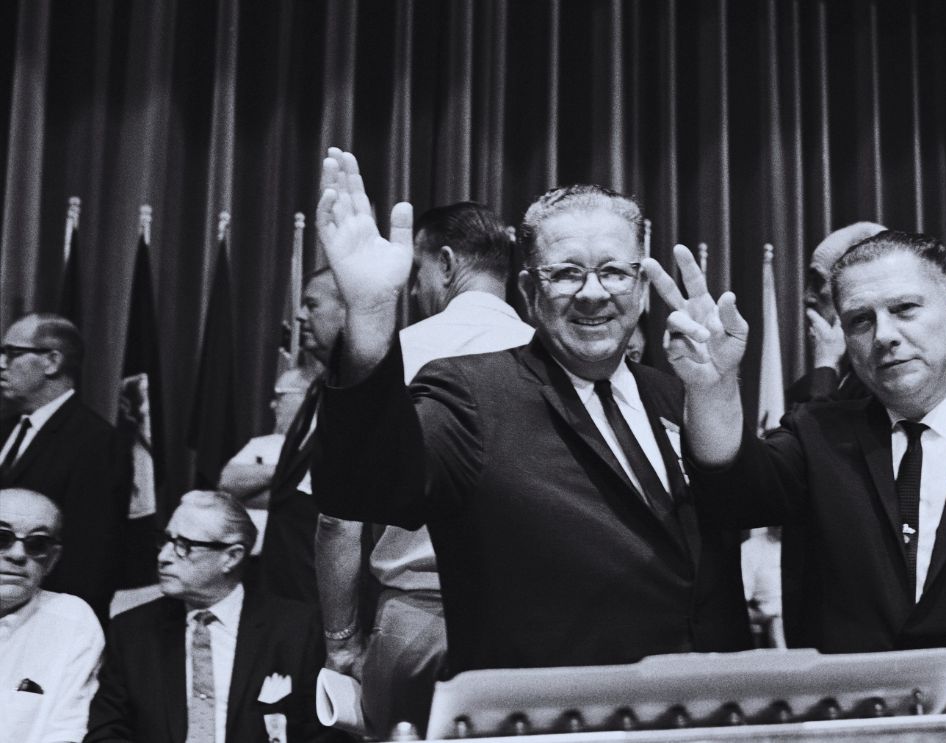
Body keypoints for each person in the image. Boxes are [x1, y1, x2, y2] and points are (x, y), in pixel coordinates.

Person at [312, 148, 750, 679]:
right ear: (528, 291)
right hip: (550, 713)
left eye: (613, 272)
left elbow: (743, 518)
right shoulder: (469, 390)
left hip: (706, 706)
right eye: (566, 273)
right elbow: (368, 486)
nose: (593, 293)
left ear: (639, 288)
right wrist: (371, 317)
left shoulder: (681, 392)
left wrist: (722, 389)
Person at [667, 230, 946, 653]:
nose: (884, 336)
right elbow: (733, 493)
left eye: (904, 309)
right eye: (861, 320)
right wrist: (712, 386)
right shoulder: (817, 432)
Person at [316, 201, 534, 736]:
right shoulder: (552, 360)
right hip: (533, 619)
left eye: (417, 274)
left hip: (414, 623)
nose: (414, 291)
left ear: (444, 262)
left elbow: (338, 521)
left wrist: (341, 644)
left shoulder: (389, 359)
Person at [86, 491, 344, 743]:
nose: (163, 557)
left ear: (231, 557)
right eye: (165, 541)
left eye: (184, 546)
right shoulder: (131, 632)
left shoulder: (297, 630)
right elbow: (106, 731)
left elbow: (323, 734)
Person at [0, 314, 131, 623]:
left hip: (42, 623)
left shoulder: (97, 442)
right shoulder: (6, 428)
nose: (2, 363)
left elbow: (91, 559)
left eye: (13, 353)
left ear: (52, 361)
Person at [256, 270, 345, 605]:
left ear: (348, 310)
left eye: (311, 305)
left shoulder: (359, 395)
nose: (298, 315)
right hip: (283, 590)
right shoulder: (322, 387)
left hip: (318, 600)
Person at [0, 487, 105, 743]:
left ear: (52, 560)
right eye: (1, 538)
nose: (17, 554)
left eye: (37, 543)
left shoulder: (72, 621)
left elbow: (67, 731)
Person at [219, 365, 319, 553]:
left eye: (280, 395)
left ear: (307, 396)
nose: (272, 404)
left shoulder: (325, 445)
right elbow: (227, 482)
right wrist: (290, 471)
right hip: (250, 558)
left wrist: (250, 493)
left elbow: (314, 505)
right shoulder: (261, 444)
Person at [787, 221, 885, 406]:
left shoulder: (892, 381)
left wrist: (826, 362)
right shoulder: (808, 388)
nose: (807, 297)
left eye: (817, 283)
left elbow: (817, 435)